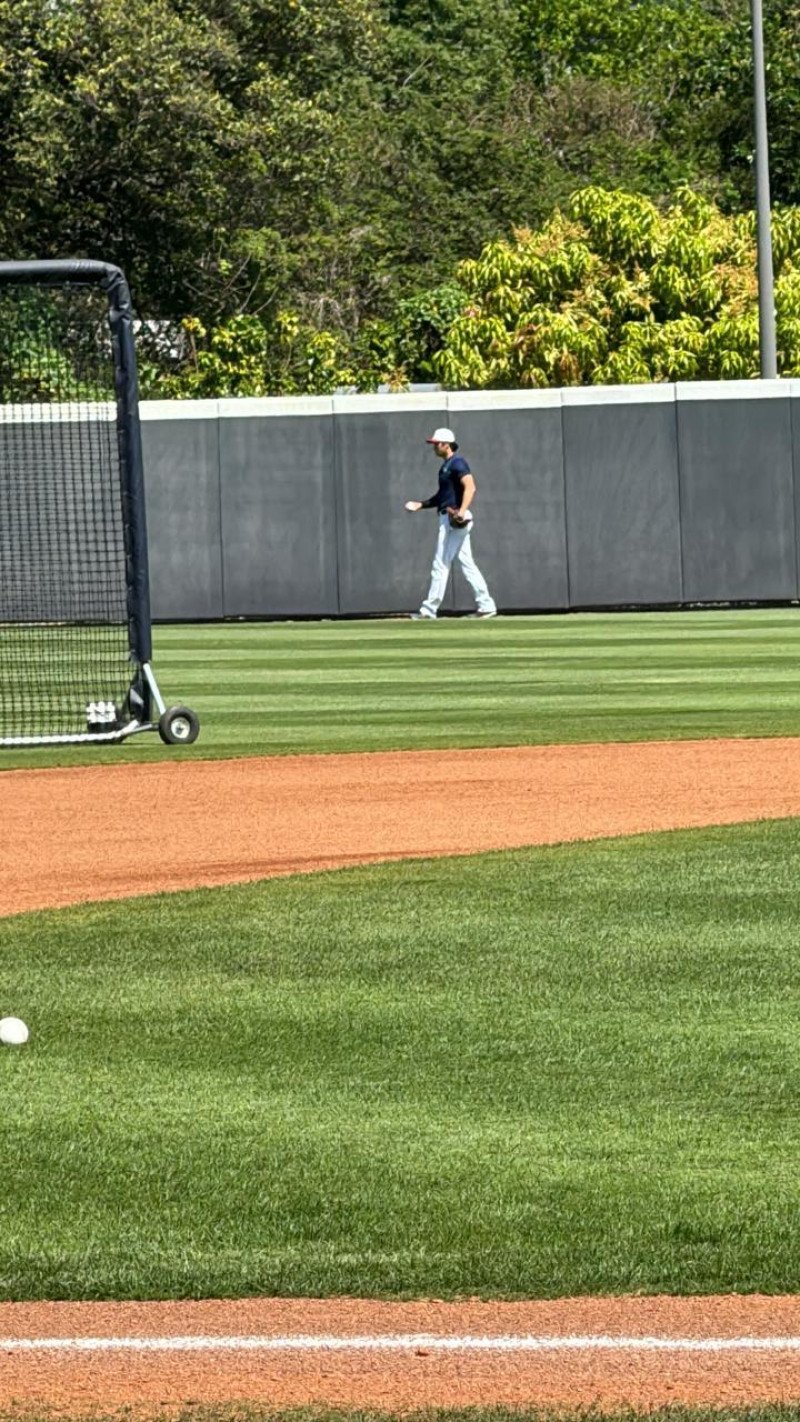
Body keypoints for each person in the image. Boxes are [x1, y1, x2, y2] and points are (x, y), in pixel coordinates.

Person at [404, 427, 497, 620]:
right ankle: (486, 605)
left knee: (441, 562)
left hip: (453, 518)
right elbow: (442, 496)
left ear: (446, 444)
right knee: (467, 563)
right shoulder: (446, 466)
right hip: (450, 516)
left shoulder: (457, 462)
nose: (434, 447)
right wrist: (421, 504)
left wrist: (461, 511)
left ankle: (428, 610)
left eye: (436, 443)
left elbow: (470, 487)